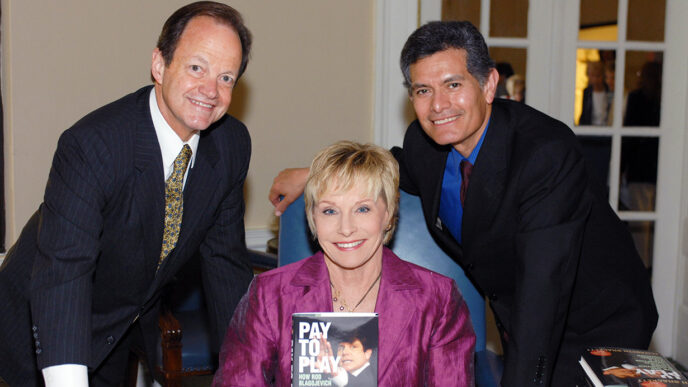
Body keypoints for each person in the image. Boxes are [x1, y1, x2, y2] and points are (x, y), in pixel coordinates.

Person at [269, 21, 658, 386]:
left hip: (600, 323)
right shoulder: (426, 145)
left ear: (489, 85)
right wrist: (314, 173)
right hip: (520, 318)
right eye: (423, 90)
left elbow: (544, 293)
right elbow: (396, 165)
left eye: (453, 84)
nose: (438, 105)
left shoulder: (545, 154)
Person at [0, 2, 254, 386]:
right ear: (159, 64)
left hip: (117, 329)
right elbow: (64, 274)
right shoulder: (93, 146)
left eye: (226, 78)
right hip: (38, 330)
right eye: (196, 68)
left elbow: (225, 265)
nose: (210, 90)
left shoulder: (231, 145)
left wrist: (246, 370)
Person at [214, 141, 475, 386]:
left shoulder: (437, 300)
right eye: (330, 211)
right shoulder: (270, 296)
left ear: (388, 214)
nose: (346, 228)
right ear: (313, 218)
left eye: (362, 209)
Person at [579, 61, 613, 126]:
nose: (595, 79)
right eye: (592, 75)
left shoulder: (609, 90)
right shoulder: (587, 92)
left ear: (603, 76)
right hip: (590, 130)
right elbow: (584, 114)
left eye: (598, 76)